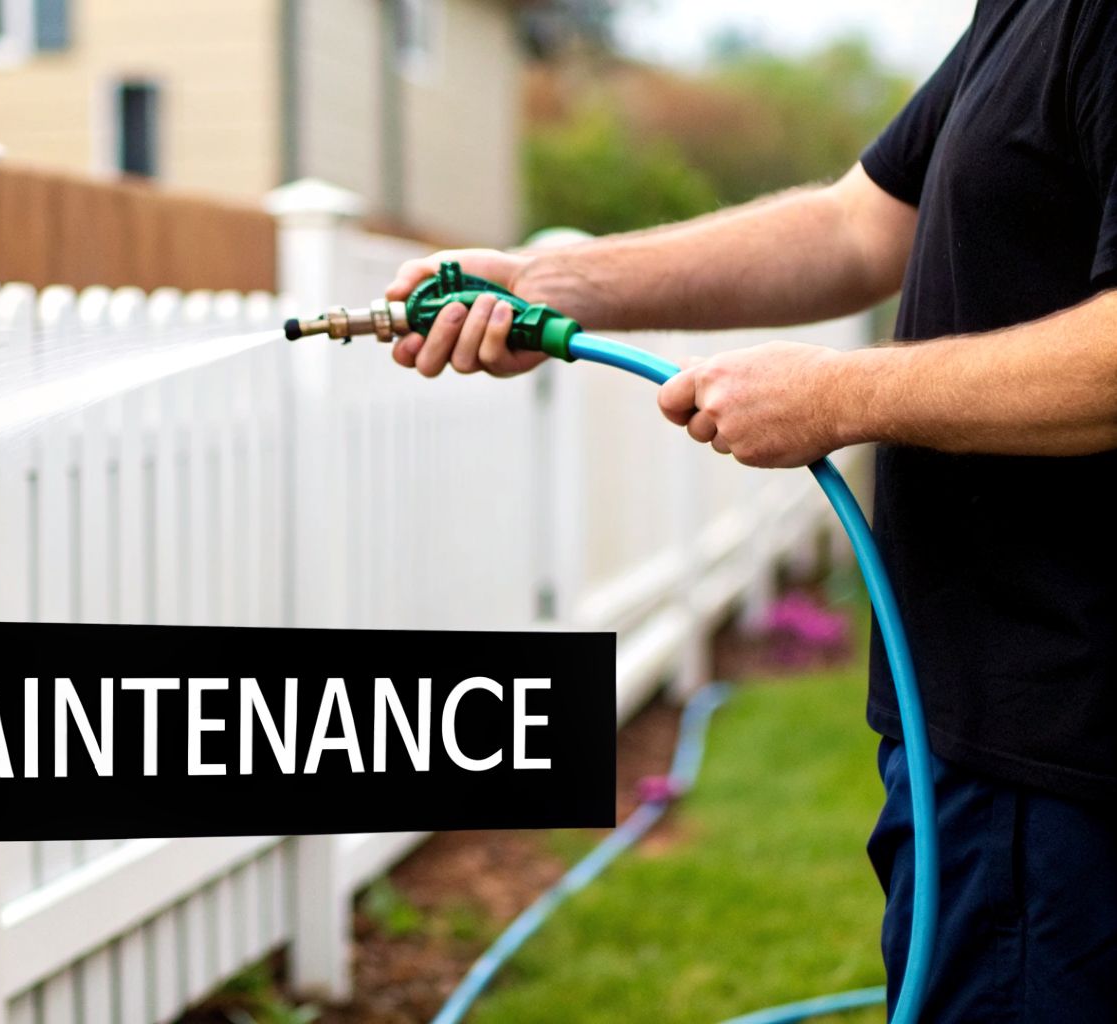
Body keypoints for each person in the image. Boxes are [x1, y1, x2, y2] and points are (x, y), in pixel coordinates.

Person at [385, 2, 1117, 1019]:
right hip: (973, 729)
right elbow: (854, 223)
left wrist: (837, 397)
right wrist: (548, 282)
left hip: (1064, 758)